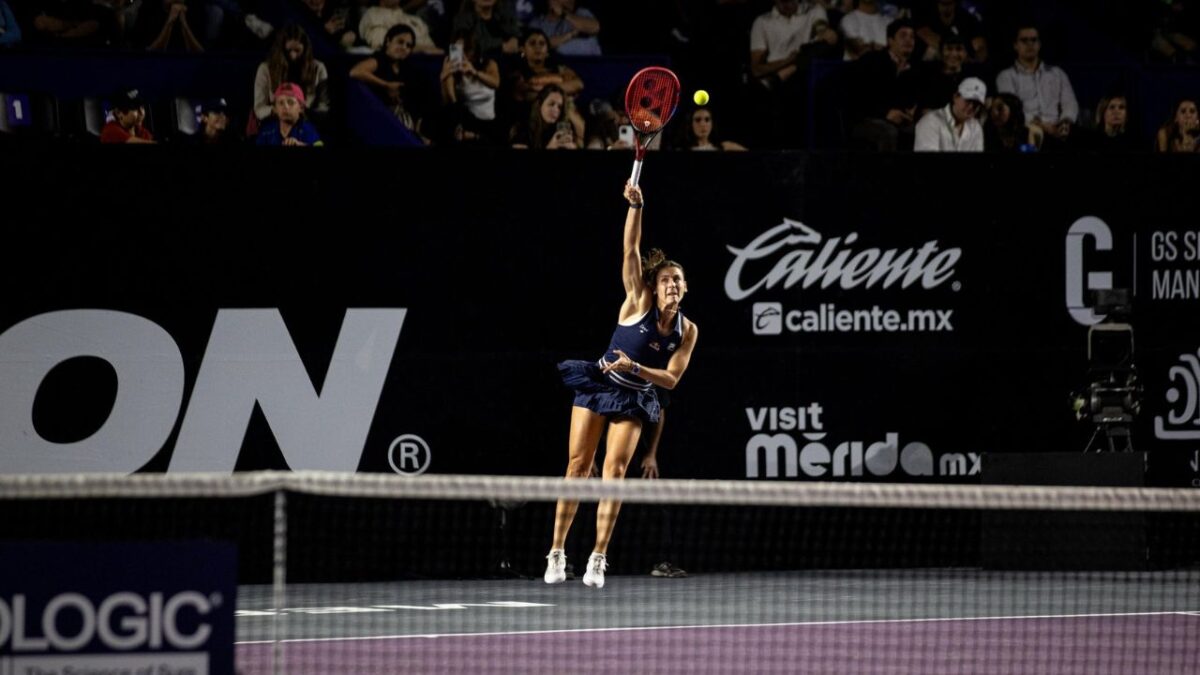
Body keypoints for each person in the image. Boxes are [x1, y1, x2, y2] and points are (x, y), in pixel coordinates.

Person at [545, 183, 699, 590]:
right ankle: (557, 551)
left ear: (685, 288)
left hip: (633, 395)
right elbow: (630, 249)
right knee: (578, 467)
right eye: (665, 278)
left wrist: (637, 368)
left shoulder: (687, 331)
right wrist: (637, 207)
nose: (671, 284)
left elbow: (671, 379)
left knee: (615, 472)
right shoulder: (637, 301)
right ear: (654, 284)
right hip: (599, 384)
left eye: (677, 280)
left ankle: (599, 557)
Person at [995, 24, 1078, 149]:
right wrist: (1043, 126)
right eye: (1024, 40)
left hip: (1058, 129)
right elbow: (1011, 110)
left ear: (1039, 44)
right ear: (1015, 46)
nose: (1030, 44)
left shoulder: (1057, 73)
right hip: (1026, 130)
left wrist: (1065, 122)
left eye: (1034, 40)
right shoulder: (1006, 76)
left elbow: (1070, 102)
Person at [913, 76, 985, 152]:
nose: (971, 106)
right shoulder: (930, 122)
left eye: (976, 104)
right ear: (955, 97)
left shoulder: (975, 127)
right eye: (968, 100)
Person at [255, 82, 323, 146]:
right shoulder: (267, 131)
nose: (286, 107)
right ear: (275, 109)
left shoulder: (308, 129)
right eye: (281, 103)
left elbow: (319, 144)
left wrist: (301, 144)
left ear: (301, 108)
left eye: (290, 102)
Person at [676, 106, 748, 151]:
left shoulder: (725, 147)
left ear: (712, 123)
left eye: (707, 119)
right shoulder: (681, 150)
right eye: (698, 120)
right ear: (690, 124)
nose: (703, 124)